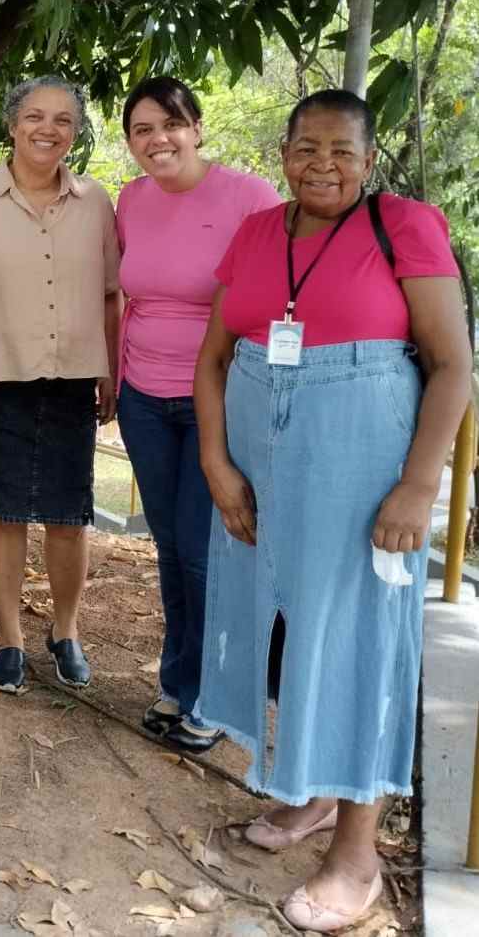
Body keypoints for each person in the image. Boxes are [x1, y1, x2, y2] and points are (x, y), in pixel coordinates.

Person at [193, 89, 470, 932]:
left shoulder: (406, 225)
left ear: (368, 157)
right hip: (254, 457)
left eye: (341, 150)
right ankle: (309, 793)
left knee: (353, 638)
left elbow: (452, 366)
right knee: (282, 630)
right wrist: (215, 462)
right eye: (305, 148)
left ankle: (355, 854)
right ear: (282, 153)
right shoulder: (254, 231)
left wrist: (418, 487)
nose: (322, 165)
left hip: (360, 462)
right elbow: (212, 356)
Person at [0, 75, 120, 695]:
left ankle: (66, 631)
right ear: (12, 124)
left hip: (72, 379)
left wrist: (110, 368)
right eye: (35, 116)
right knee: (6, 516)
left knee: (69, 517)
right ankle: (8, 638)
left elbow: (111, 294)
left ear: (76, 132)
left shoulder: (96, 203)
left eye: (63, 120)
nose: (48, 129)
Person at [114, 77, 281, 751]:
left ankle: (219, 695)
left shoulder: (251, 198)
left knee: (205, 552)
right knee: (169, 547)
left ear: (198, 127)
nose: (158, 140)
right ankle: (179, 682)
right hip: (143, 398)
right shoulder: (129, 200)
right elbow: (123, 294)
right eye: (141, 130)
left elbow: (274, 302)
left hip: (222, 401)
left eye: (170, 125)